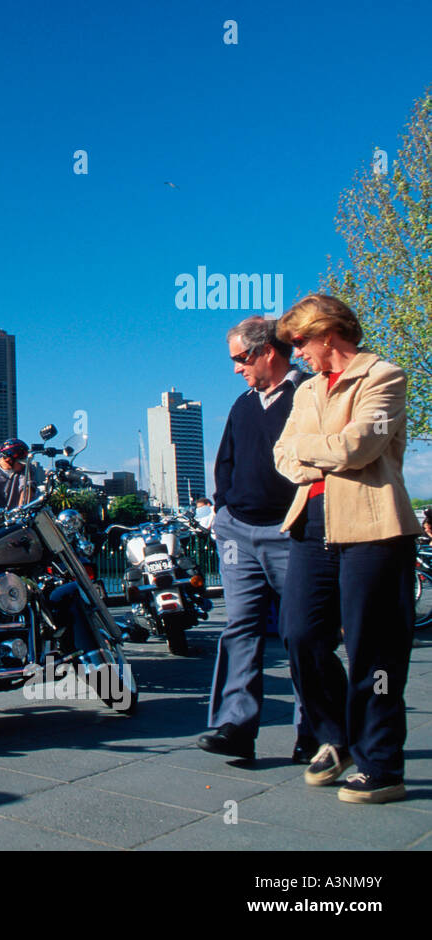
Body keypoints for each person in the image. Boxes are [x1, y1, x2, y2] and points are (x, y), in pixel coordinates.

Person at [273, 294, 421, 804]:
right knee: (298, 635)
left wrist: (313, 451)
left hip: (374, 527)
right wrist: (322, 453)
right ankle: (337, 737)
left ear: (327, 335)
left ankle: (381, 765)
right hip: (310, 526)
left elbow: (359, 447)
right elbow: (281, 455)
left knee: (374, 652)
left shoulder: (385, 376)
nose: (297, 354)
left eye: (300, 342)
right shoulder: (307, 390)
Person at [198, 316, 311, 763]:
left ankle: (314, 731)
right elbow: (224, 461)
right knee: (240, 628)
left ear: (267, 351)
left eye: (240, 358)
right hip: (236, 533)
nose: (235, 368)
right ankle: (235, 727)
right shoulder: (243, 405)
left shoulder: (309, 395)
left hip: (290, 532)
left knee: (302, 634)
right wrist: (223, 508)